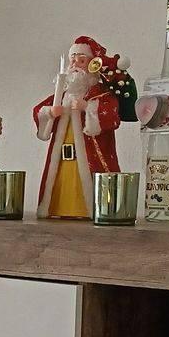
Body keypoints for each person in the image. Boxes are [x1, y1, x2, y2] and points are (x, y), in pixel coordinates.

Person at [33, 36, 123, 219]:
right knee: (61, 180)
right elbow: (38, 111)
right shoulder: (63, 95)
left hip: (90, 156)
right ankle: (58, 207)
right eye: (72, 60)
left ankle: (88, 208)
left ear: (92, 65)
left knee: (86, 182)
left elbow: (112, 116)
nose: (75, 65)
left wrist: (88, 107)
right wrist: (50, 112)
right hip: (62, 157)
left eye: (81, 61)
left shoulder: (100, 94)